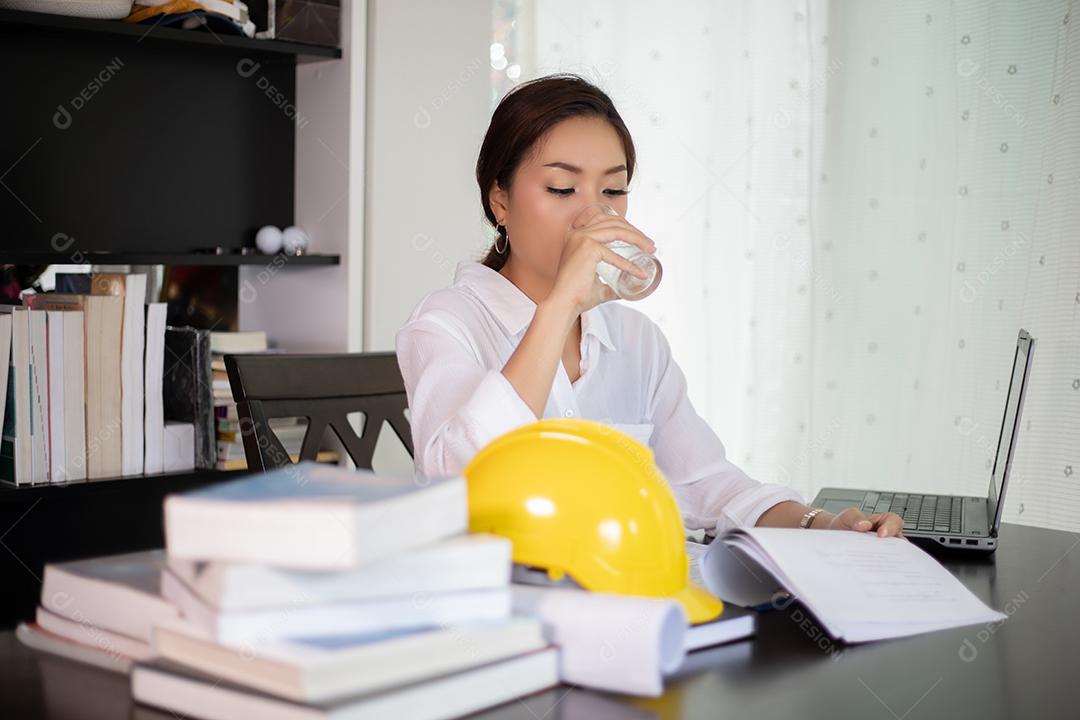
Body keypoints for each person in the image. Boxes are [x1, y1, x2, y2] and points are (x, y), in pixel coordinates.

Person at [396, 74, 903, 538]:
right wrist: (557, 307)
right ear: (500, 201)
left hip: (625, 606)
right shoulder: (444, 324)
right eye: (561, 188)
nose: (594, 213)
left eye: (613, 190)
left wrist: (822, 525)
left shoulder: (636, 342)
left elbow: (708, 486)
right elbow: (459, 484)